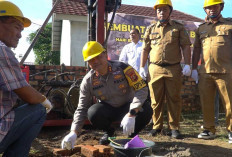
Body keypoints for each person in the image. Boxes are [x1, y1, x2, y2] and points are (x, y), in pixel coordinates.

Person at [61, 41, 152, 149]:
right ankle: (109, 132)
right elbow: (82, 108)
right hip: (109, 110)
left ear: (105, 54)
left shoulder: (123, 68)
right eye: (91, 60)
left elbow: (141, 88)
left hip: (128, 107)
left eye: (98, 57)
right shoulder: (88, 81)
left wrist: (132, 112)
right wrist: (73, 132)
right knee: (93, 113)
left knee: (146, 109)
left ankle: (132, 135)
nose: (96, 61)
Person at [0, 1, 53, 156]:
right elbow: (28, 95)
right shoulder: (2, 51)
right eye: (16, 26)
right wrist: (44, 100)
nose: (20, 34)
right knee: (38, 109)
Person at [140, 0, 192, 139]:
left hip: (173, 68)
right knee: (155, 100)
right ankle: (157, 126)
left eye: (164, 10)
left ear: (170, 11)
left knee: (174, 98)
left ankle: (174, 127)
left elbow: (186, 46)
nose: (161, 12)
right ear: (156, 12)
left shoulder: (178, 28)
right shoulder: (150, 29)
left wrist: (188, 64)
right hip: (155, 68)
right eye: (159, 10)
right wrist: (142, 66)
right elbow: (145, 49)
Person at [191, 0, 232, 143]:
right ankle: (208, 129)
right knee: (206, 102)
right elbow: (196, 49)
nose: (212, 10)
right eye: (209, 8)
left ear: (221, 7)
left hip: (226, 71)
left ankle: (231, 131)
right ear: (205, 10)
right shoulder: (201, 28)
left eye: (215, 6)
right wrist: (194, 68)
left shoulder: (230, 24)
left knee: (230, 103)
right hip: (205, 72)